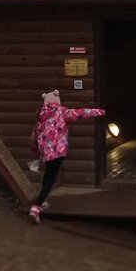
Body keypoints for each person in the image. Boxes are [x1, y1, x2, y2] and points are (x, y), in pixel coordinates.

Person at [29, 89, 104, 223]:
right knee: (50, 178)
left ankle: (41, 202)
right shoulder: (61, 112)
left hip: (46, 153)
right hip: (58, 152)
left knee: (49, 175)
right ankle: (36, 207)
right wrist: (99, 111)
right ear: (57, 101)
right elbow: (80, 113)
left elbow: (34, 137)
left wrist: (35, 152)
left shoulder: (40, 116)